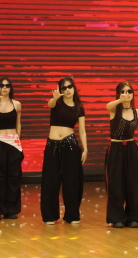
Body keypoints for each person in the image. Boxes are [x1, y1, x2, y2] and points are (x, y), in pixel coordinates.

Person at [105, 82, 138, 228]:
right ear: (118, 94)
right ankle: (117, 218)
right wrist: (120, 100)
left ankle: (134, 216)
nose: (127, 94)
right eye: (123, 91)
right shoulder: (114, 109)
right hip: (116, 148)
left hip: (131, 149)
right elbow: (107, 106)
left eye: (129, 91)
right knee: (116, 184)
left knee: (133, 183)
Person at [41, 76, 88, 224]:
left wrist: (85, 148)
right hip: (52, 145)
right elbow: (49, 104)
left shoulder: (79, 107)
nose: (67, 90)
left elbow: (82, 131)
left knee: (71, 181)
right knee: (51, 180)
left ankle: (72, 215)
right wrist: (55, 98)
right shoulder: (57, 103)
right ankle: (50, 216)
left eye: (69, 87)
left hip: (70, 145)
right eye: (64, 88)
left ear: (74, 88)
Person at [0, 77, 23, 220]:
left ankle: (11, 210)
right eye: (2, 85)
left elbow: (18, 123)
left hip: (13, 142)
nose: (5, 87)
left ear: (11, 88)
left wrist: (18, 140)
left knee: (13, 177)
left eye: (7, 85)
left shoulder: (17, 104)